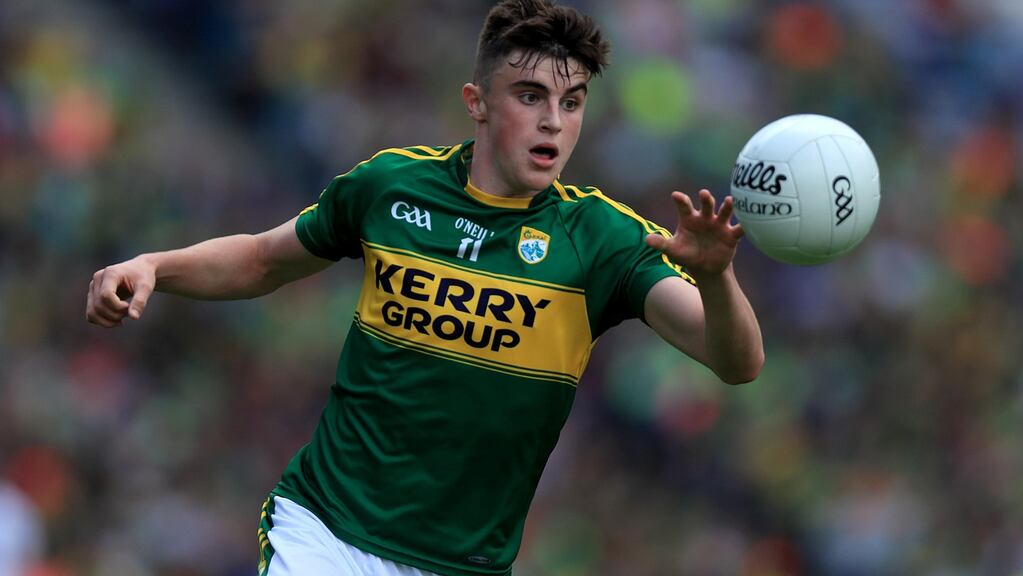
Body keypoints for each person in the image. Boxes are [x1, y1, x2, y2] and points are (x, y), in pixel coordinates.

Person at [86, 0, 764, 574]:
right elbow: (264, 258)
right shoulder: (391, 186)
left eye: (572, 102)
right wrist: (155, 266)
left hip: (461, 561)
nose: (554, 121)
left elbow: (736, 362)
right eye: (530, 97)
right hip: (326, 530)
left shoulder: (604, 238)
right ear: (477, 102)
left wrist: (716, 278)